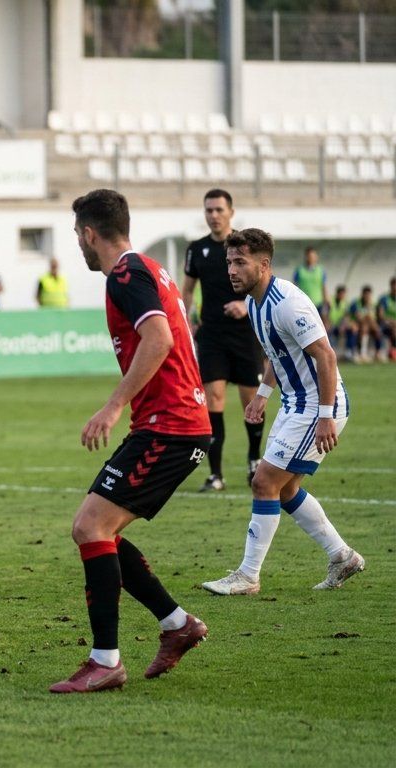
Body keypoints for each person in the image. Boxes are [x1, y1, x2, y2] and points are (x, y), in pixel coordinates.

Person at [49, 190, 210, 694]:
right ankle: (176, 624)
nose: (78, 243)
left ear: (89, 233)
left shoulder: (125, 274)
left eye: (78, 235)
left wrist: (114, 405)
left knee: (90, 526)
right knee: (102, 532)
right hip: (171, 424)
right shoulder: (151, 269)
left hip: (171, 426)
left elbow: (159, 339)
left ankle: (106, 661)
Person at [200, 228, 363, 596]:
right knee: (286, 490)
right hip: (296, 403)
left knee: (263, 481)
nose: (231, 270)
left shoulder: (287, 301)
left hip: (317, 404)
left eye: (240, 262)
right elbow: (278, 352)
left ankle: (248, 576)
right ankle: (342, 556)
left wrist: (324, 415)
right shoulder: (256, 303)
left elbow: (326, 355)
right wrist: (261, 394)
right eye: (229, 262)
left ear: (264, 264)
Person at [181, 189, 265, 491]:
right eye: (209, 210)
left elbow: (264, 284)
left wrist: (246, 306)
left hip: (245, 335)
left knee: (251, 403)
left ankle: (254, 461)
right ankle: (216, 474)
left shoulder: (246, 246)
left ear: (231, 212)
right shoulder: (196, 249)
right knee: (213, 400)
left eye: (219, 210)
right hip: (212, 335)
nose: (213, 215)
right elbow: (187, 289)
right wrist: (187, 319)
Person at [346, 285, 380, 362]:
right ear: (362, 294)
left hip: (369, 326)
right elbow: (358, 317)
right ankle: (359, 353)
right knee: (364, 326)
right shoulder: (356, 303)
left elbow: (373, 318)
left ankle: (377, 353)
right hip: (356, 324)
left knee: (376, 330)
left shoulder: (373, 304)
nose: (367, 297)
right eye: (366, 295)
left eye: (369, 295)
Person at [377, 277, 396, 362]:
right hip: (386, 324)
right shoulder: (384, 298)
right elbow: (381, 315)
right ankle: (392, 351)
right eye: (394, 285)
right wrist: (391, 321)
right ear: (391, 286)